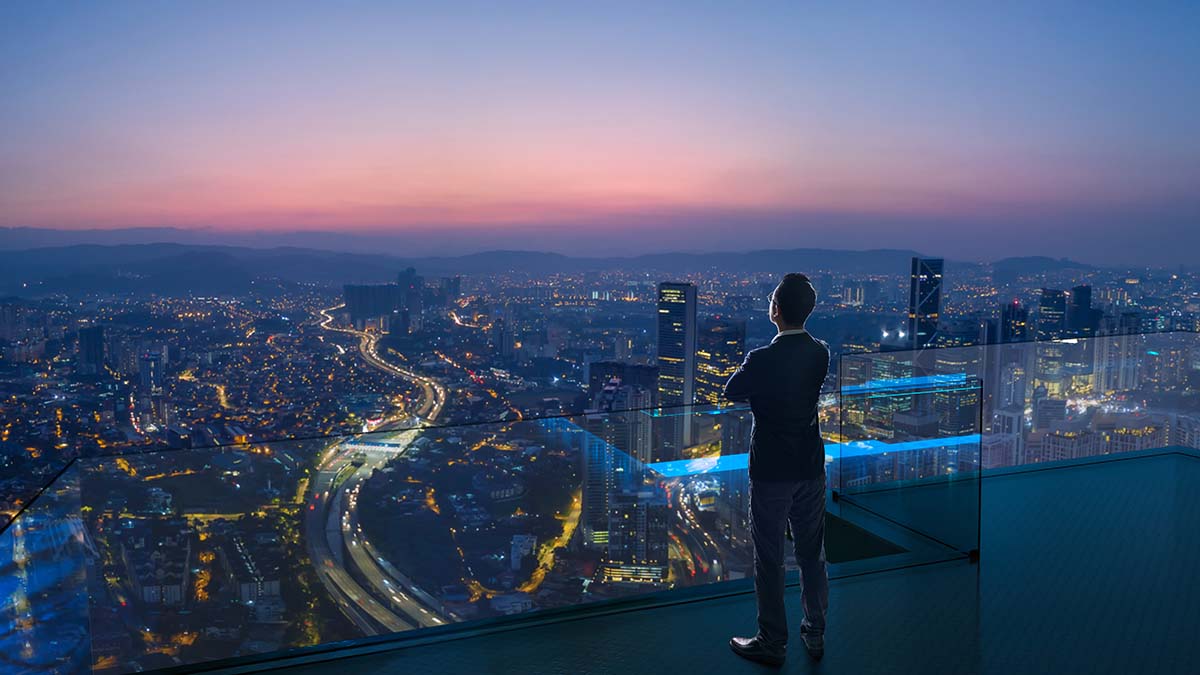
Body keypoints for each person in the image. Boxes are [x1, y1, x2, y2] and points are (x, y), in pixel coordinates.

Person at [724, 272, 830, 666]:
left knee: (769, 557)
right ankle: (815, 630)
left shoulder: (763, 359)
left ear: (776, 310)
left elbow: (732, 390)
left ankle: (772, 639)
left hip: (771, 472)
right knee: (810, 553)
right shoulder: (821, 353)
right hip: (810, 466)